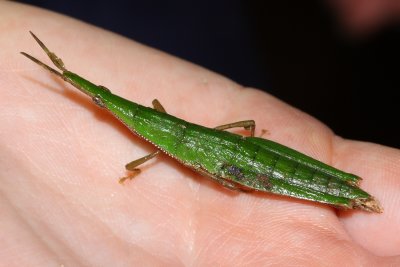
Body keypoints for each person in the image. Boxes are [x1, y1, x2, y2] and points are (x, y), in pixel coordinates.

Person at [1, 2, 399, 265]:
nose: (103, 103)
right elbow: (152, 110)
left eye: (103, 101)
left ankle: (346, 188)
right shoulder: (155, 128)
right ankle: (346, 190)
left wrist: (135, 169)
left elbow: (209, 173)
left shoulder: (154, 142)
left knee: (254, 171)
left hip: (226, 153)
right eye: (104, 103)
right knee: (244, 168)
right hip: (221, 147)